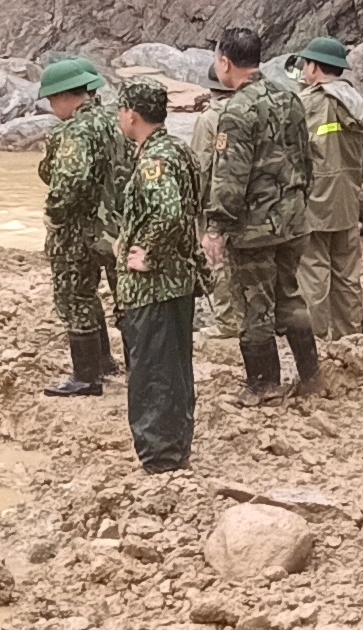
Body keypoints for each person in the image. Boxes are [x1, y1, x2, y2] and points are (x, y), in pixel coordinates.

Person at [205, 26, 315, 402]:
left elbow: (229, 177)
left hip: (254, 227)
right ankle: (311, 376)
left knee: (254, 304)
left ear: (225, 62)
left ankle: (263, 384)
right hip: (293, 218)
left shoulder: (236, 111)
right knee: (290, 296)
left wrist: (216, 226)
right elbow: (305, 156)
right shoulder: (290, 98)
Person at [111, 79, 205, 473]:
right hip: (178, 281)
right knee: (175, 367)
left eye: (121, 111)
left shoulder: (154, 161)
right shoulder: (177, 149)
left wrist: (146, 252)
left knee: (153, 371)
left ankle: (160, 455)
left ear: (131, 115)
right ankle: (174, 447)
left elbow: (167, 213)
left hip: (154, 288)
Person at [34, 56, 125, 397]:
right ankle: (130, 366)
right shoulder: (117, 120)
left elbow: (68, 179)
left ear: (63, 97)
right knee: (126, 300)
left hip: (79, 229)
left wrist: (54, 215)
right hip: (117, 226)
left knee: (76, 297)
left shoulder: (74, 130)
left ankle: (89, 375)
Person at [294, 37, 363, 338]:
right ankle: (349, 337)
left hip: (314, 202)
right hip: (348, 199)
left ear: (314, 66)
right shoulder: (358, 103)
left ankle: (316, 341)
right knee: (346, 273)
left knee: (313, 271)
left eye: (306, 63)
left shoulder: (307, 103)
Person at [191, 62, 242, 339]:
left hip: (216, 198)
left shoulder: (209, 119)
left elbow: (201, 163)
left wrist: (193, 202)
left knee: (218, 258)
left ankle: (227, 320)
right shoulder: (249, 110)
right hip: (249, 198)